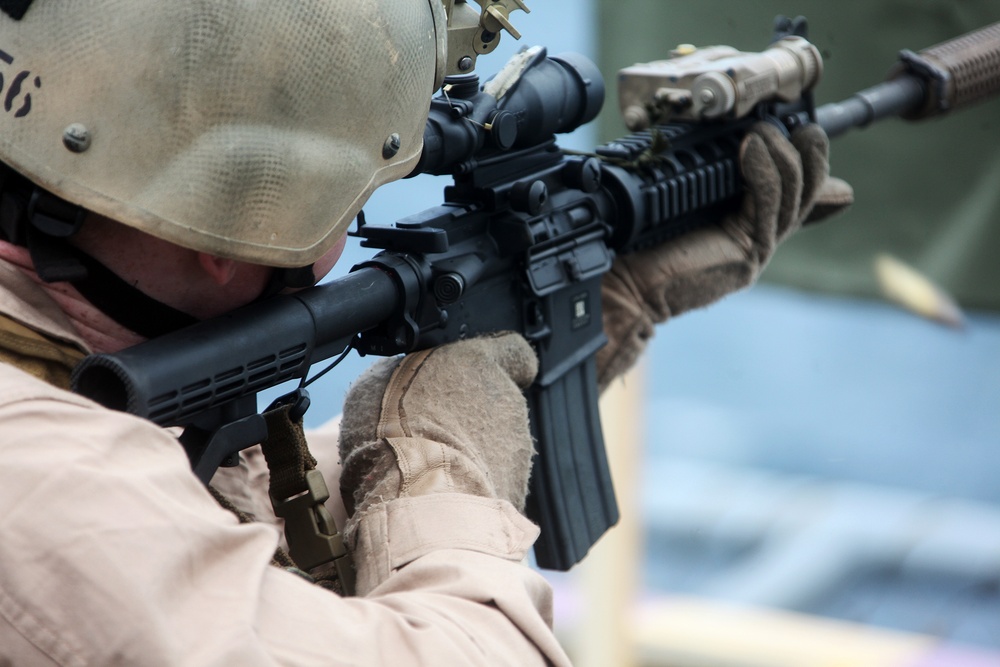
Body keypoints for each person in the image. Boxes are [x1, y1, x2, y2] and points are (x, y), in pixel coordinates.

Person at [0, 1, 849, 665]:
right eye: (347, 204)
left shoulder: (59, 396)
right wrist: (442, 460)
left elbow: (216, 547)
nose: (339, 243)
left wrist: (603, 307)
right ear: (232, 230)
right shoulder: (44, 483)